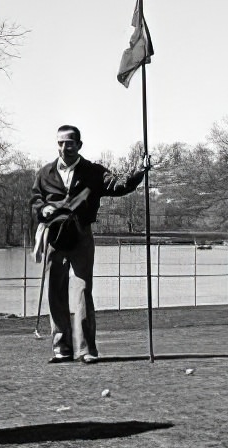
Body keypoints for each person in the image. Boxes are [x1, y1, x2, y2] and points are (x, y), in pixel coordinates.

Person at [30, 125, 148, 364]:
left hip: (81, 235)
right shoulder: (45, 173)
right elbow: (35, 200)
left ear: (79, 145)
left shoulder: (93, 171)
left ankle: (86, 349)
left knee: (83, 290)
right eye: (61, 143)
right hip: (54, 237)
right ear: (57, 145)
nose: (66, 147)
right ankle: (62, 349)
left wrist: (139, 171)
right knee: (56, 291)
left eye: (70, 143)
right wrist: (44, 209)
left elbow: (118, 185)